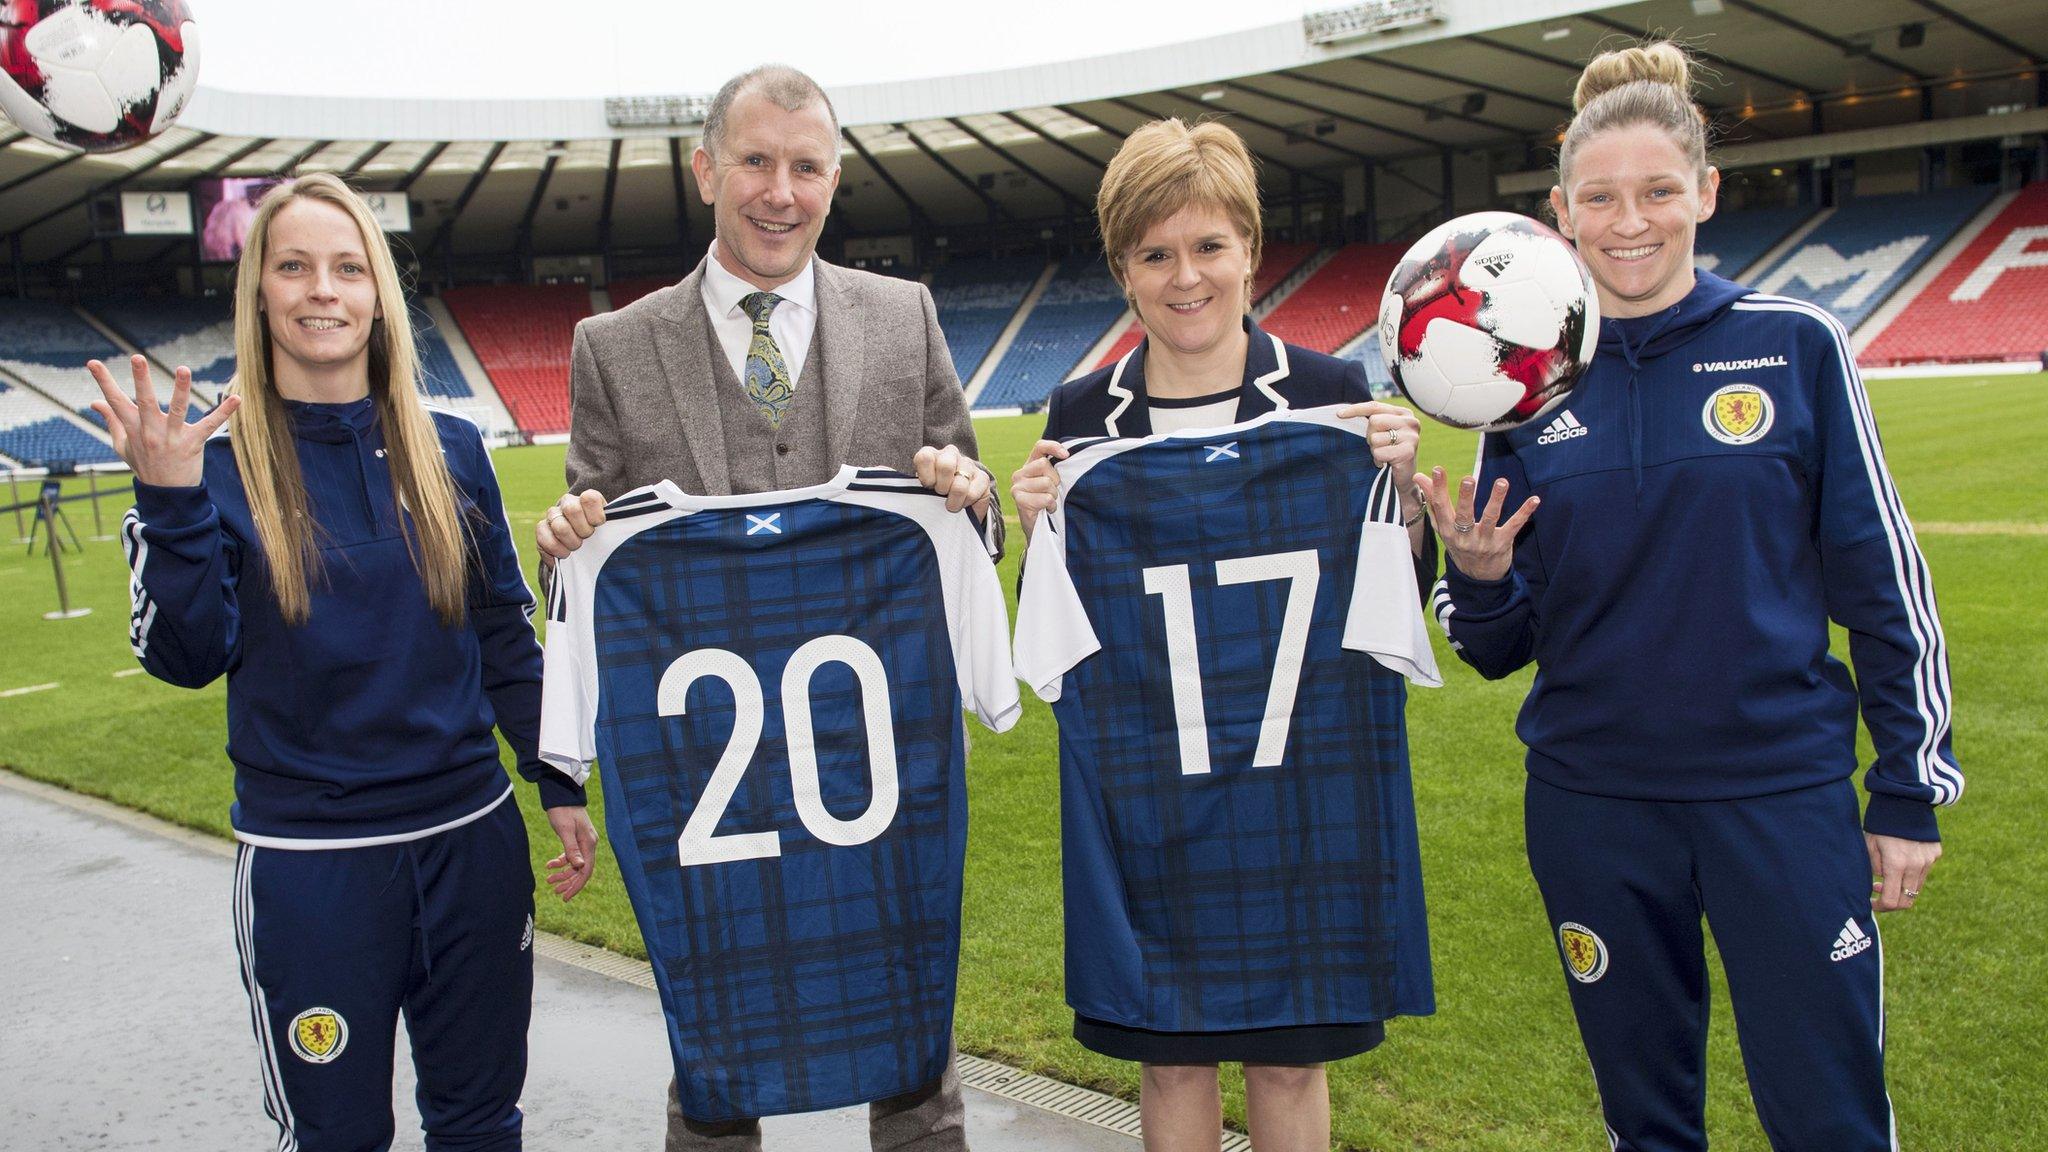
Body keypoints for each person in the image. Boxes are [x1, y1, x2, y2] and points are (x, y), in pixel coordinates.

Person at [1417, 41, 1956, 1151]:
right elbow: (1494, 644)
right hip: (1593, 809)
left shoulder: (1792, 345)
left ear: (1704, 193)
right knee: (1645, 1124)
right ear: (1560, 214)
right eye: (1600, 198)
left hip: (1777, 800)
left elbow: (1881, 580)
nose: (1630, 221)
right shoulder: (1522, 386)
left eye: (1657, 191)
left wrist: (1906, 788)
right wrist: (1473, 576)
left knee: (1829, 1120)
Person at [533, 64, 996, 1152]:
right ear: (705, 169)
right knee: (716, 1057)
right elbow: (593, 552)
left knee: (912, 1049)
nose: (778, 191)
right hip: (708, 768)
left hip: (878, 755)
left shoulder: (901, 316)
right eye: (755, 161)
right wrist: (562, 541)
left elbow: (972, 530)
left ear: (833, 181)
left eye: (805, 167)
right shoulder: (611, 345)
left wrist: (971, 504)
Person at [92, 172, 597, 1152]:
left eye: (347, 267)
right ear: (260, 295)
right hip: (314, 870)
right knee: (336, 1140)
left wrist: (556, 778)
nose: (322, 289)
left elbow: (501, 633)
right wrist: (170, 503)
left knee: (481, 1123)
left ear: (377, 296)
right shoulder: (218, 468)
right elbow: (186, 658)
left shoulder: (450, 448)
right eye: (293, 267)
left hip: (470, 846)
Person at [1009, 118, 1434, 1152]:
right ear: (1121, 268)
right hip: (1149, 785)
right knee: (1171, 1055)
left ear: (1248, 247)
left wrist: (1403, 504)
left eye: (1207, 246)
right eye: (1154, 254)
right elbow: (1059, 646)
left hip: (1299, 781)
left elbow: (1391, 606)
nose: (1185, 277)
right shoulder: (1083, 417)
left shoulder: (1332, 398)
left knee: (1289, 1058)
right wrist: (1040, 532)